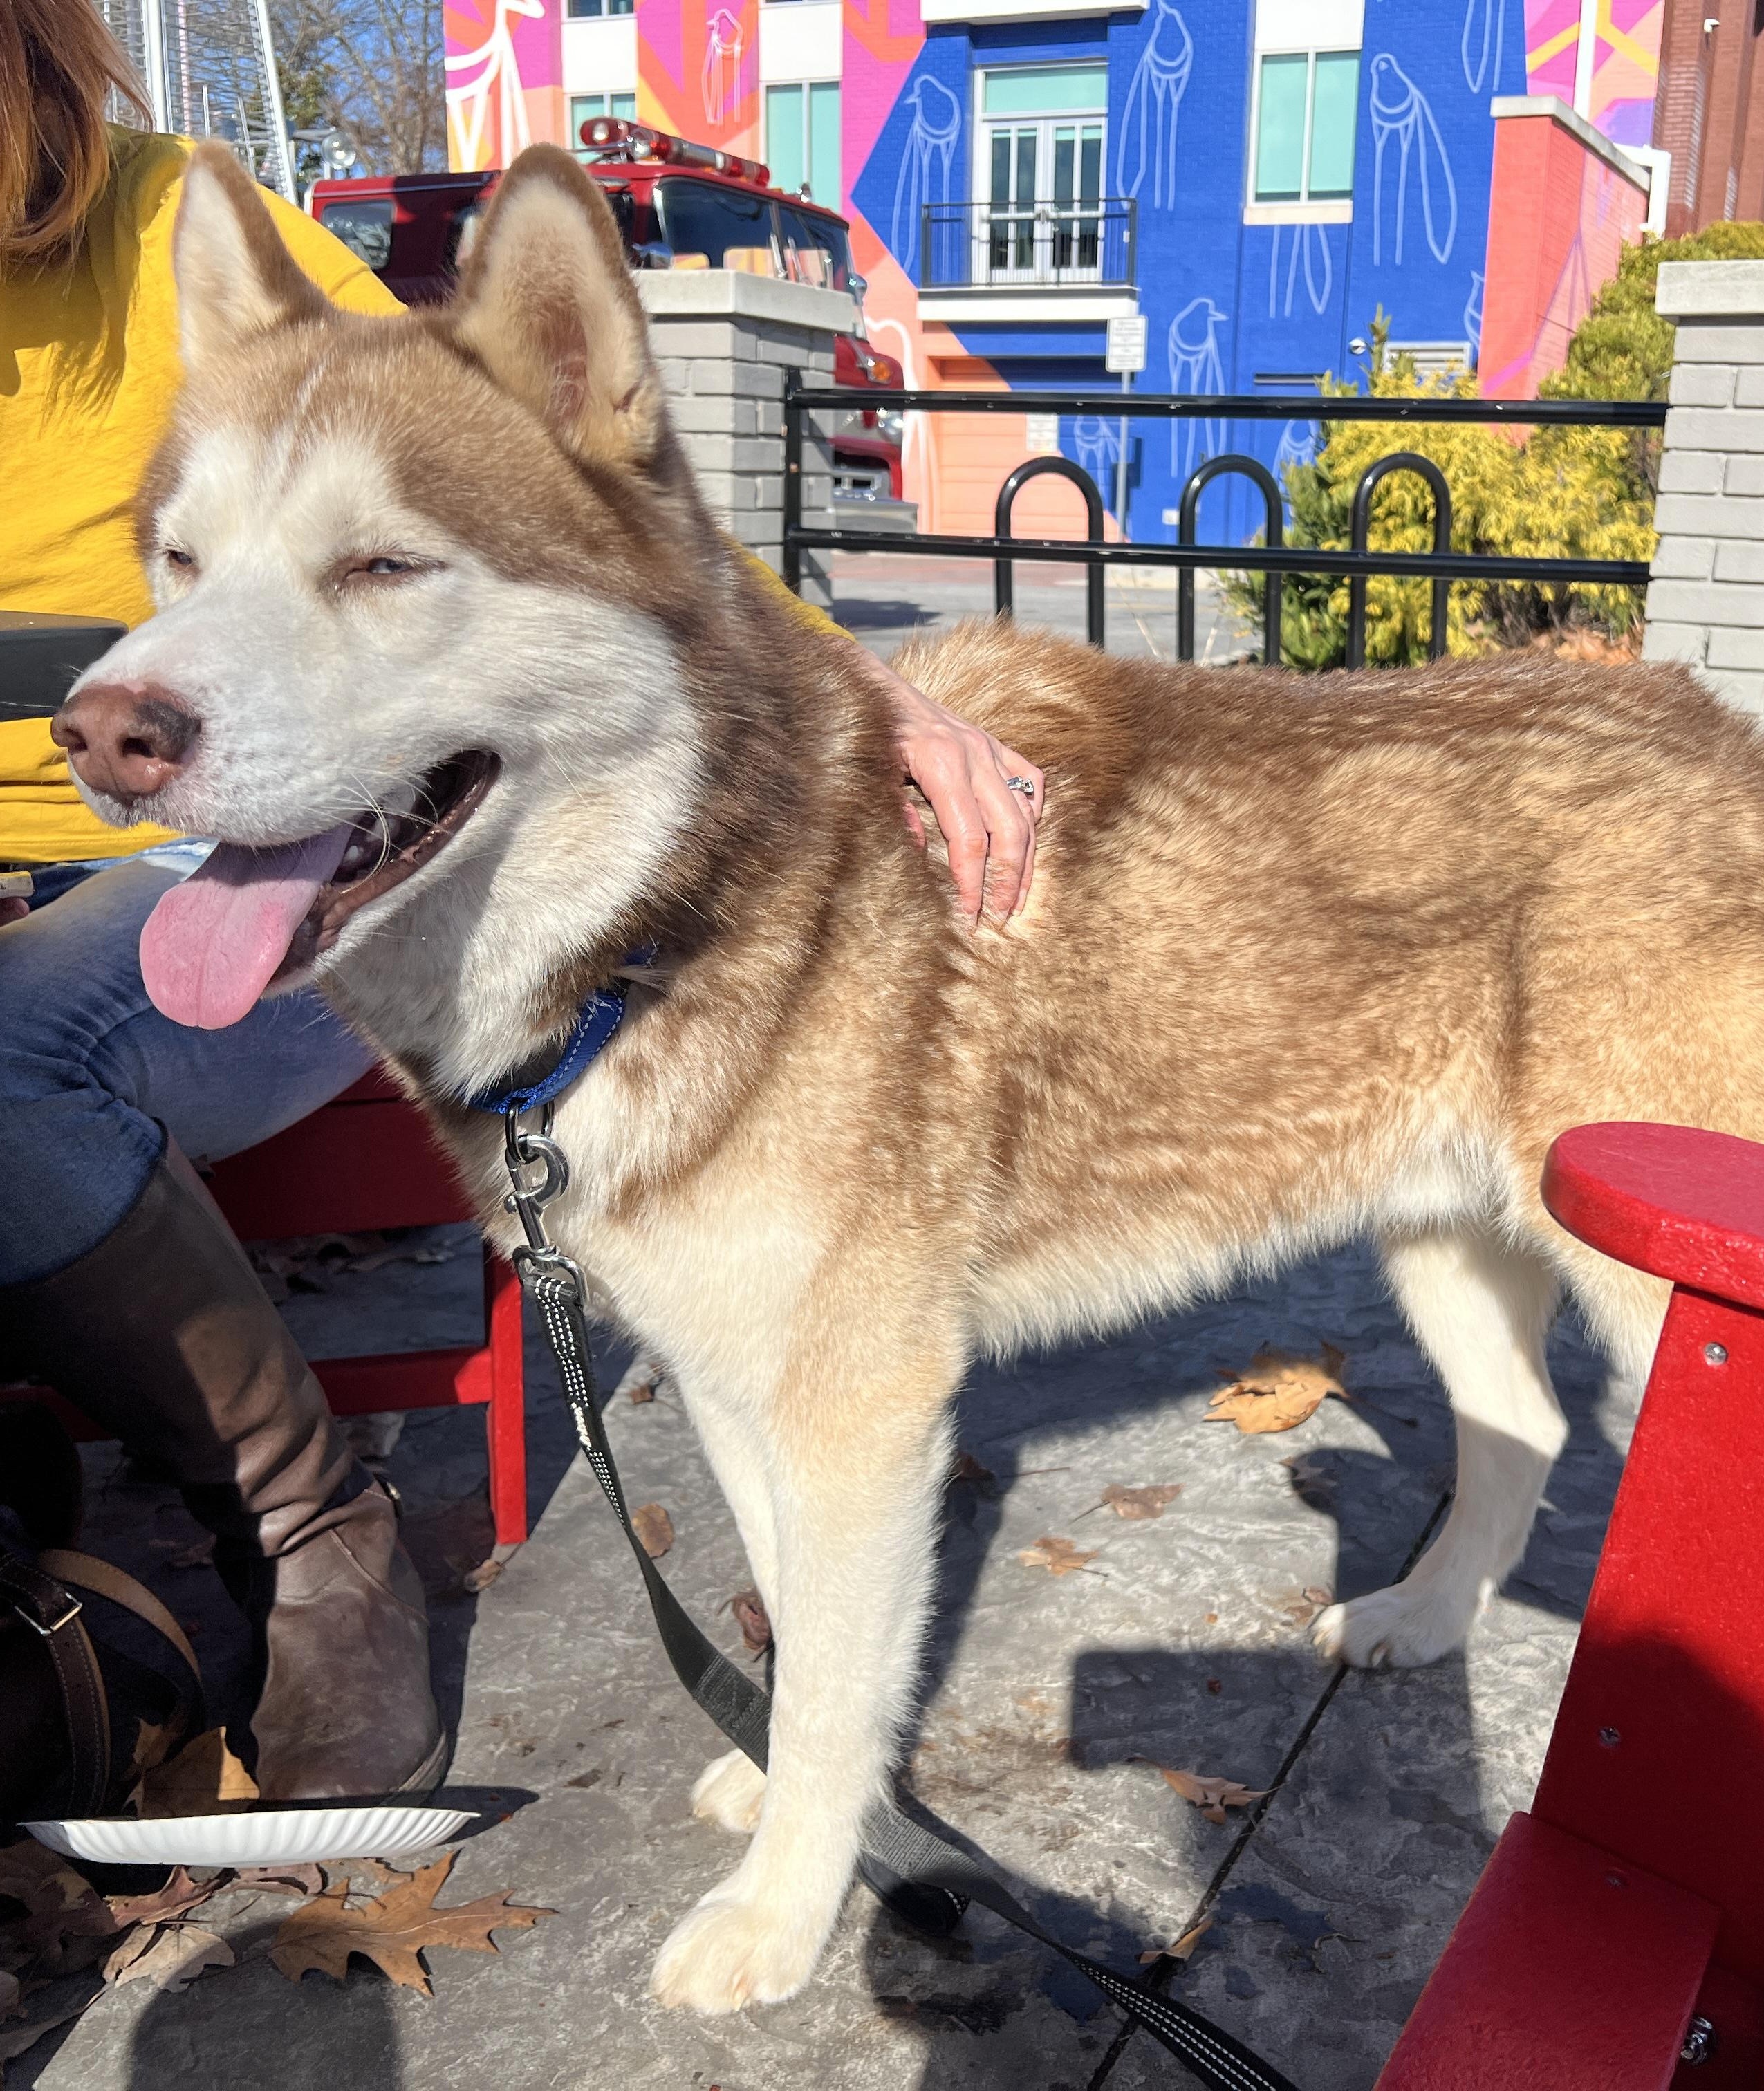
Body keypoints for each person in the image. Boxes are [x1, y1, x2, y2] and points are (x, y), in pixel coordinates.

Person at [0, 0, 1042, 1800]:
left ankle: (319, 1530)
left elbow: (564, 494)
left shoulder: (178, 224)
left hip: (244, 855)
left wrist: (870, 696)